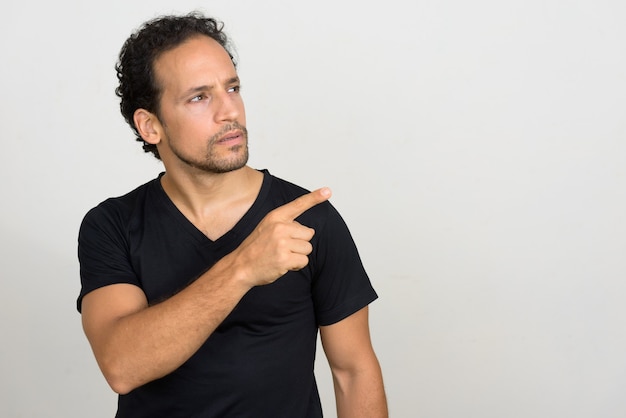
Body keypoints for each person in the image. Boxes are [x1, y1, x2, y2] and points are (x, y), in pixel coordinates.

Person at [77, 12, 387, 418]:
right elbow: (122, 366)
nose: (230, 112)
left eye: (233, 88)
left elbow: (354, 372)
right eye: (199, 97)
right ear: (150, 125)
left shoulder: (309, 220)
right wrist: (244, 267)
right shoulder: (111, 225)